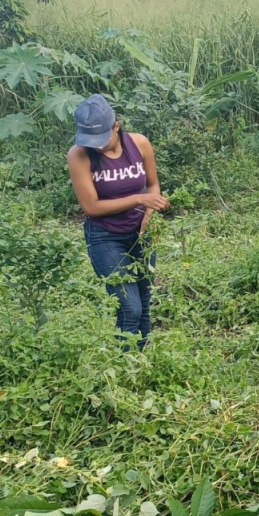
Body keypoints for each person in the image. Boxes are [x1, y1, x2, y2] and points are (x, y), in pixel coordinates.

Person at [67, 94, 169, 350]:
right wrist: (138, 199)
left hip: (142, 234)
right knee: (129, 307)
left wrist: (149, 212)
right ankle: (123, 366)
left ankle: (141, 361)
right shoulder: (79, 155)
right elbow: (91, 207)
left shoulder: (140, 143)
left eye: (102, 139)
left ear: (116, 126)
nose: (98, 147)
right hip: (105, 236)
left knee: (144, 302)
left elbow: (153, 184)